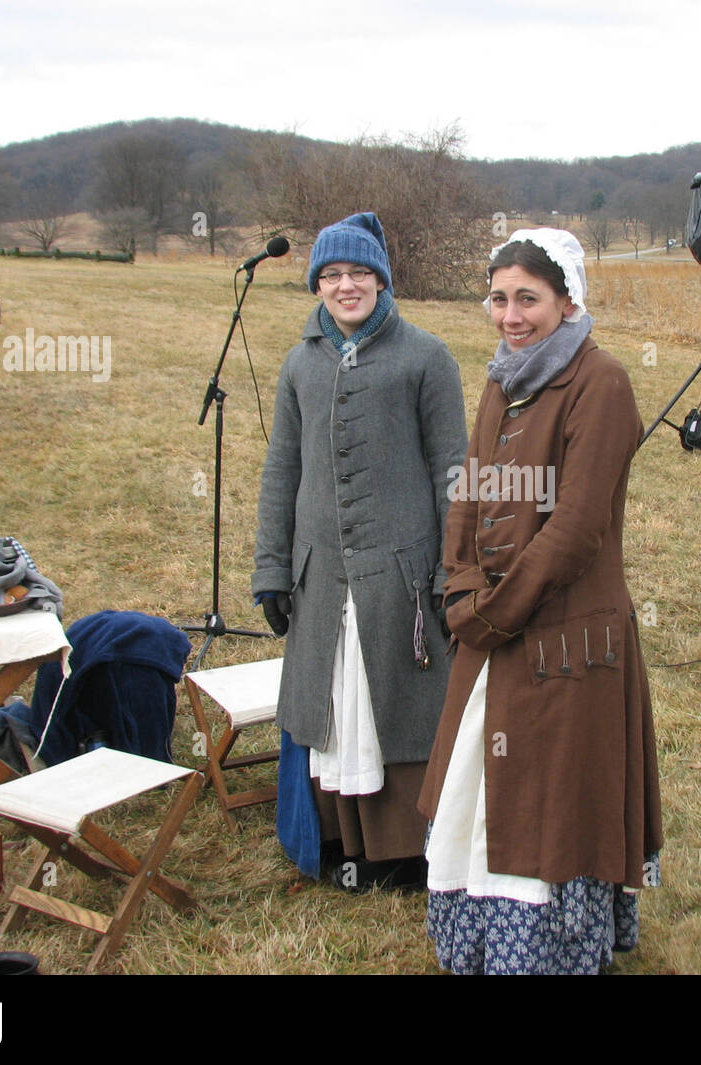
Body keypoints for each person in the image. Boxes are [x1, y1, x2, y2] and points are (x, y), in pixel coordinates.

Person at [418, 229, 663, 974]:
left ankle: (546, 952)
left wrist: (491, 615)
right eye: (499, 298)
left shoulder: (603, 382)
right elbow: (472, 490)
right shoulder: (501, 379)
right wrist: (459, 581)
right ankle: (480, 940)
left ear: (567, 299)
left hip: (566, 639)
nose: (510, 314)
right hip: (491, 626)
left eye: (528, 298)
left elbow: (578, 527)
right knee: (479, 783)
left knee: (550, 807)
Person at [252, 212, 467, 891]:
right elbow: (281, 469)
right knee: (333, 710)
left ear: (382, 280)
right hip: (322, 577)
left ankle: (404, 853)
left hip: (401, 577)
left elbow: (453, 472)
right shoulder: (298, 363)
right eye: (333, 275)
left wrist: (450, 571)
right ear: (317, 284)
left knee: (396, 711)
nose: (347, 286)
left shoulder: (426, 358)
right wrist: (272, 568)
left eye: (360, 273)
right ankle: (338, 842)